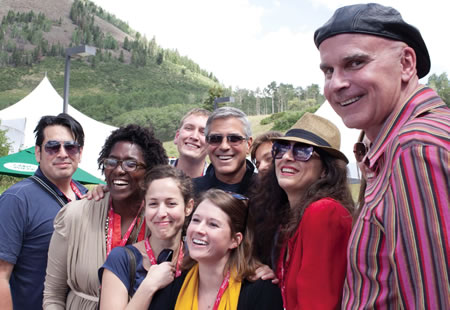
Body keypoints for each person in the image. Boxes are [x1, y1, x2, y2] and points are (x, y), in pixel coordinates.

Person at [314, 3, 450, 308]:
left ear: (405, 64)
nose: (336, 83)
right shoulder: (388, 146)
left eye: (355, 63)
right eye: (328, 70)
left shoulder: (415, 147)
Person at [43, 124, 167, 309]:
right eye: (111, 162)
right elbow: (53, 294)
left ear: (151, 170)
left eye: (130, 164)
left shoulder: (162, 220)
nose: (118, 170)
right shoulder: (75, 216)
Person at [250, 112, 354, 309]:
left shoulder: (324, 211)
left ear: (325, 170)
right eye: (280, 149)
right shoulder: (293, 219)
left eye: (303, 151)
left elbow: (317, 304)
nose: (287, 157)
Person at [0, 113, 87, 310]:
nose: (63, 153)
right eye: (53, 146)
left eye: (70, 147)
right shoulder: (17, 199)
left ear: (80, 153)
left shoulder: (87, 196)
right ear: (38, 153)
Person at [149, 189, 284, 309]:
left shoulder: (261, 292)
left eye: (213, 224)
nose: (199, 229)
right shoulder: (172, 288)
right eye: (196, 220)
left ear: (235, 240)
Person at [98, 165, 194, 310]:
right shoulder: (122, 259)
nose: (161, 213)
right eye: (153, 203)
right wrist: (149, 286)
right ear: (145, 207)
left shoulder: (195, 259)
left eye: (171, 203)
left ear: (188, 207)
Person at [193, 107, 255, 196]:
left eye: (234, 139)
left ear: (248, 145)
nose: (224, 146)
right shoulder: (189, 192)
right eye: (215, 139)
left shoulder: (269, 191)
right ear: (207, 144)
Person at [171, 108, 211, 178]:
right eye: (188, 128)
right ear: (177, 136)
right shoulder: (153, 171)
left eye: (203, 132)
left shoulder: (218, 183)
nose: (194, 136)